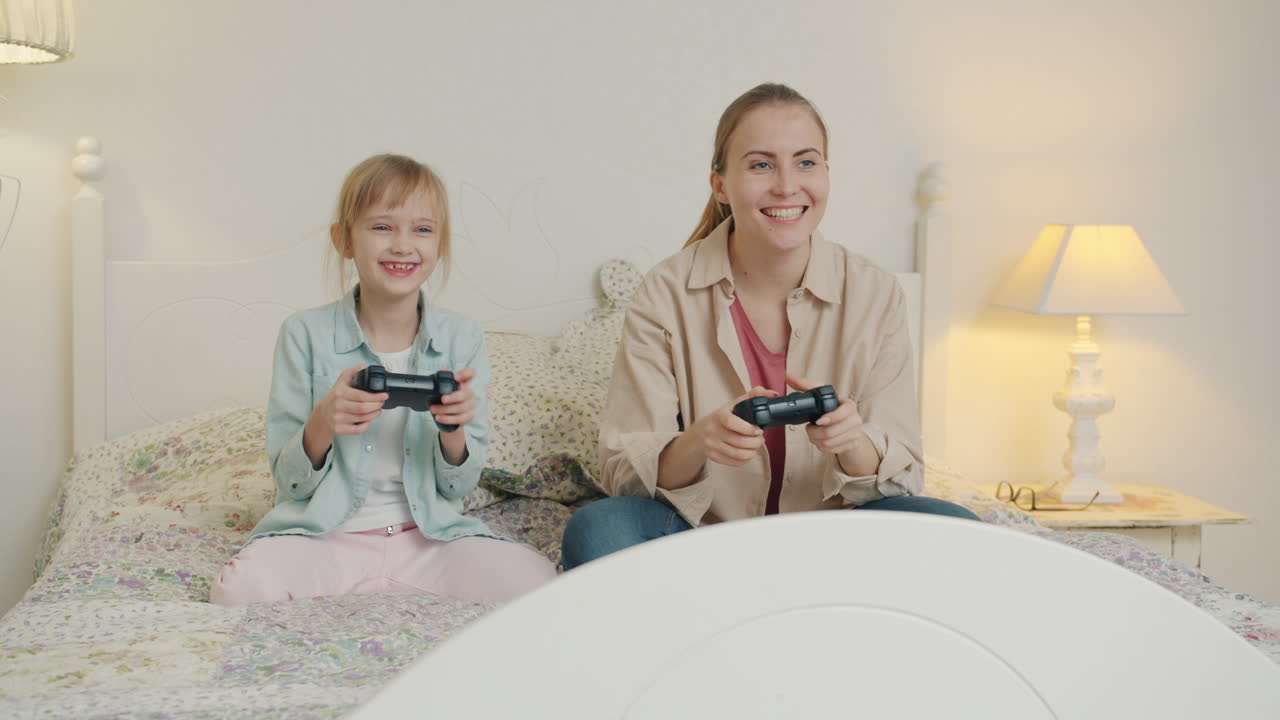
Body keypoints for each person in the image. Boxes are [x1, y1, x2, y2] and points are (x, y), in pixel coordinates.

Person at [561, 83, 977, 570]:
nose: (786, 185)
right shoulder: (666, 293)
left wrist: (851, 441)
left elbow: (903, 480)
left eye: (806, 162)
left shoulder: (875, 293)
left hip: (835, 541)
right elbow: (621, 474)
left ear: (826, 173)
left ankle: (793, 602)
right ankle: (738, 607)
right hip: (699, 543)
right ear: (720, 184)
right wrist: (698, 441)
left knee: (962, 534)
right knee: (599, 528)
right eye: (761, 164)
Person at [210, 154, 556, 605]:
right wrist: (323, 421)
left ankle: (398, 573)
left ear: (441, 244)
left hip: (427, 540)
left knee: (541, 585)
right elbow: (291, 484)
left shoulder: (462, 336)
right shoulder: (305, 333)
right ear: (344, 240)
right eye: (382, 227)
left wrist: (452, 431)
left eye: (423, 229)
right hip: (328, 539)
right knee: (238, 591)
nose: (403, 245)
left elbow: (458, 487)